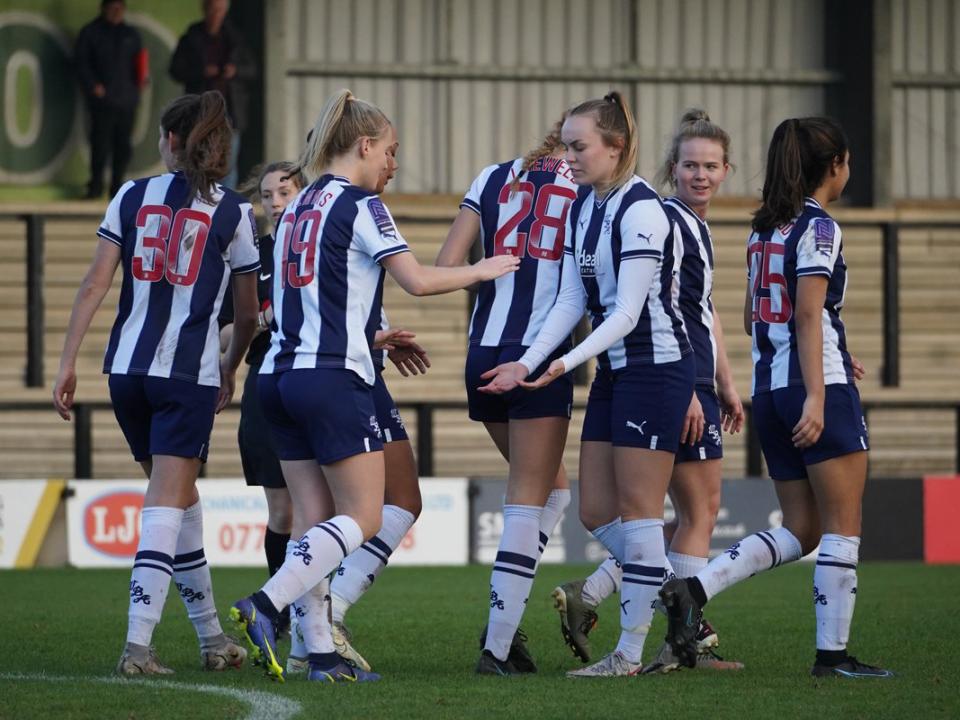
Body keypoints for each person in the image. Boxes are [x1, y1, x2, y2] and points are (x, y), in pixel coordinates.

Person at [229, 88, 519, 684]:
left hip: (278, 378)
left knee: (314, 523)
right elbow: (415, 280)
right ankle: (263, 604)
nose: (393, 163)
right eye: (389, 151)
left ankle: (321, 656)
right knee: (362, 517)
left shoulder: (298, 206)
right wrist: (485, 267)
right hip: (334, 380)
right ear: (364, 145)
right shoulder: (361, 204)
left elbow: (292, 304)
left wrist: (372, 335)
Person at [660, 117, 894, 679]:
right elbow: (809, 312)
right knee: (842, 524)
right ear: (834, 165)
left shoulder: (764, 230)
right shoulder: (819, 228)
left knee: (802, 529)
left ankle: (696, 587)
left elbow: (750, 317)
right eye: (847, 161)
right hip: (815, 390)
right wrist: (820, 392)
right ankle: (832, 657)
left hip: (770, 390)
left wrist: (829, 350)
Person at [480, 91, 694, 678]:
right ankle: (684, 600)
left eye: (579, 146)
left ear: (616, 147)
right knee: (596, 510)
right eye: (566, 145)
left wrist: (562, 362)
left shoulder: (644, 209)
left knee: (639, 510)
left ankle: (628, 653)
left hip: (654, 368)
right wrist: (528, 362)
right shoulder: (584, 204)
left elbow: (626, 311)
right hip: (614, 369)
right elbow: (572, 296)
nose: (566, 157)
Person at [53, 91, 260, 675]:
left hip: (125, 372)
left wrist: (67, 362)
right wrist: (231, 366)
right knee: (167, 502)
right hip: (185, 375)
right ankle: (137, 647)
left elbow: (94, 283)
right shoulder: (234, 213)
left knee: (181, 499)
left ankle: (213, 638)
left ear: (171, 141)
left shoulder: (130, 195)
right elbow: (246, 315)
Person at [550, 110, 746, 673]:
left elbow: (704, 310)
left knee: (697, 507)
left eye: (710, 166)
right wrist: (689, 388)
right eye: (689, 165)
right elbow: (669, 315)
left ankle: (673, 639)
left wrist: (726, 382)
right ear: (672, 168)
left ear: (727, 170)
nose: (700, 175)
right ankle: (680, 630)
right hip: (669, 377)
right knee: (675, 510)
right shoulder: (662, 218)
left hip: (690, 378)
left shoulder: (696, 225)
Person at [435, 119, 580, 675]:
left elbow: (448, 268)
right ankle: (497, 645)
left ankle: (507, 618)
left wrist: (488, 273)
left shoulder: (493, 176)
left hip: (482, 352)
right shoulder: (585, 187)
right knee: (528, 499)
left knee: (554, 493)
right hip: (537, 355)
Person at [169, 0, 256, 189]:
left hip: (230, 111)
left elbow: (252, 69)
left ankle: (224, 204)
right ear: (204, 9)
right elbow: (175, 69)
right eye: (213, 9)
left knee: (228, 164)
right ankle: (197, 200)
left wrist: (235, 71)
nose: (216, 14)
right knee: (197, 160)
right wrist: (201, 71)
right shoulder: (192, 37)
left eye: (220, 10)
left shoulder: (235, 37)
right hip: (199, 111)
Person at [75, 0, 144, 199]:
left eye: (120, 8)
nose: (117, 12)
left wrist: (140, 81)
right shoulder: (91, 33)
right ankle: (95, 186)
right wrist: (92, 86)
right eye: (113, 7)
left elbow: (139, 63)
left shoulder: (130, 34)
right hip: (102, 102)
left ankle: (117, 188)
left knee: (123, 147)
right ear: (104, 8)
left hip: (126, 101)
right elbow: (81, 62)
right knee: (100, 145)